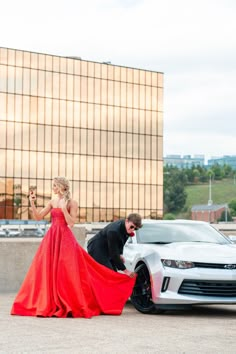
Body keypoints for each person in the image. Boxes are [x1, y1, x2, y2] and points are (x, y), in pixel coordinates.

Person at [11, 177, 136, 318]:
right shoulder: (52, 201)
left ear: (62, 187)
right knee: (50, 270)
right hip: (52, 238)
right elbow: (38, 217)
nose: (53, 188)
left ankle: (68, 302)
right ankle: (52, 302)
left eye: (55, 186)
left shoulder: (72, 203)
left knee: (67, 271)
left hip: (65, 238)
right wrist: (32, 202)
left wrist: (64, 209)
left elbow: (71, 223)